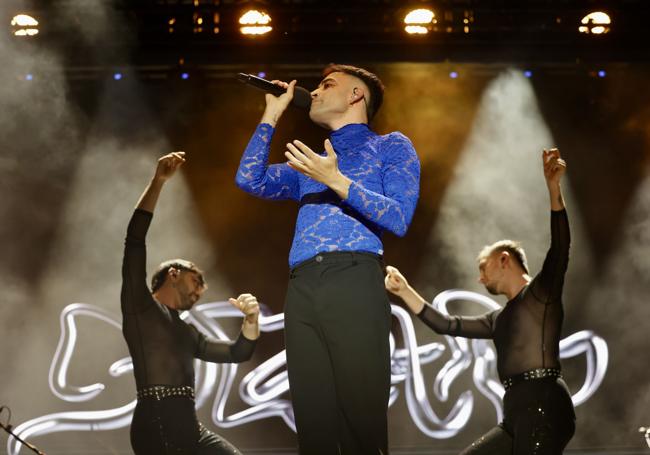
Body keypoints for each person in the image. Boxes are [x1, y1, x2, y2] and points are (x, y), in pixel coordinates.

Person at [235, 64, 420, 454]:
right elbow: (249, 179)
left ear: (357, 95)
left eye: (326, 85)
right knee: (312, 424)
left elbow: (399, 217)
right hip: (302, 287)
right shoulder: (312, 162)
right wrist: (272, 112)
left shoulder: (390, 145)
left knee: (360, 421)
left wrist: (337, 181)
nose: (314, 92)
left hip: (354, 279)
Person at [385, 148, 575, 454]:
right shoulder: (497, 318)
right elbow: (446, 324)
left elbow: (561, 247)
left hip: (544, 405)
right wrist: (405, 290)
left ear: (504, 260)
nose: (480, 278)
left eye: (482, 268)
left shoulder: (542, 294)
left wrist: (554, 189)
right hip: (516, 412)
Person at [122, 151, 260, 454]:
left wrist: (251, 321)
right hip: (154, 423)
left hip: (189, 426)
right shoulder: (140, 307)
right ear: (173, 274)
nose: (200, 291)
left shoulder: (187, 332)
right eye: (196, 281)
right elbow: (134, 240)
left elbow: (239, 352)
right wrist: (158, 182)